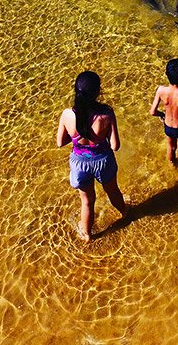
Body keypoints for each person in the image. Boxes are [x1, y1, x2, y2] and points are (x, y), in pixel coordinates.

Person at [56, 71, 128, 240]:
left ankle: (87, 235)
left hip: (79, 163)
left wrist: (77, 138)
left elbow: (60, 142)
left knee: (87, 201)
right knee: (113, 191)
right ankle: (126, 213)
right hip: (103, 161)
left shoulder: (67, 114)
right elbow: (115, 146)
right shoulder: (106, 114)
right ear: (98, 92)